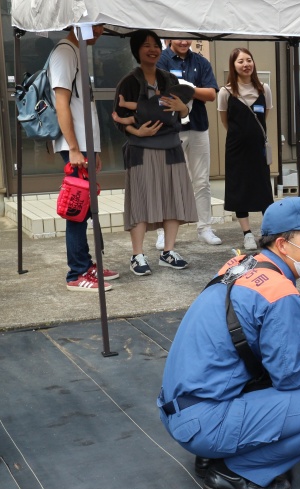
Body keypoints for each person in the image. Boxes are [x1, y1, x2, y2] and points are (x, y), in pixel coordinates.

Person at [158, 196, 300, 489]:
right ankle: (234, 473)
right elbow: (289, 376)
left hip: (180, 410)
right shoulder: (279, 291)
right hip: (204, 423)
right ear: (283, 245)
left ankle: (212, 455)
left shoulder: (240, 265)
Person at [114, 29, 197, 276]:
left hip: (171, 146)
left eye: (156, 46)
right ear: (136, 50)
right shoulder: (128, 81)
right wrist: (138, 132)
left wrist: (183, 109)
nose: (152, 50)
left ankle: (168, 252)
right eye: (146, 45)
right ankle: (137, 255)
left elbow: (182, 112)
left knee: (172, 198)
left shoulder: (169, 79)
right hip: (141, 149)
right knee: (141, 201)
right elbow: (118, 118)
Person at [51, 24, 119, 292]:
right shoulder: (65, 52)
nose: (99, 30)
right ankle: (77, 273)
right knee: (77, 210)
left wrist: (94, 150)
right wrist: (74, 148)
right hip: (75, 147)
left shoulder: (77, 52)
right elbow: (61, 103)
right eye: (94, 24)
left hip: (83, 147)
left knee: (86, 208)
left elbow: (83, 107)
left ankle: (86, 264)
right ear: (75, 22)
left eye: (101, 24)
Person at [153, 39, 222, 248]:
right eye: (178, 37)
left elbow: (211, 94)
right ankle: (162, 232)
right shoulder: (162, 60)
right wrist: (192, 90)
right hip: (170, 128)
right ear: (169, 38)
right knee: (167, 181)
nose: (183, 41)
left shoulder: (201, 62)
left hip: (199, 126)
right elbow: (160, 92)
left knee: (202, 180)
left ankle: (204, 228)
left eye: (186, 37)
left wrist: (187, 88)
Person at [218, 47, 274, 252]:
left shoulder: (264, 89)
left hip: (258, 147)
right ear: (233, 66)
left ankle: (268, 231)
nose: (246, 64)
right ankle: (247, 233)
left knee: (263, 188)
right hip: (236, 148)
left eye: (249, 60)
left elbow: (264, 116)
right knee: (239, 188)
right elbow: (225, 121)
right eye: (240, 61)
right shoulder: (225, 92)